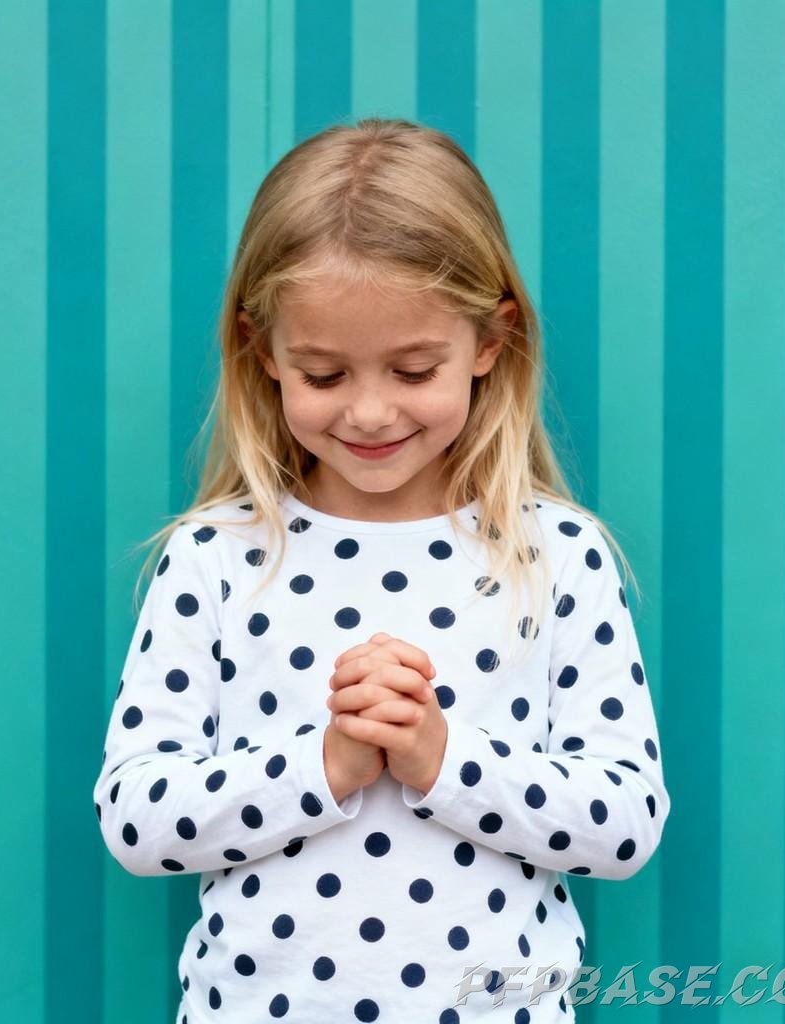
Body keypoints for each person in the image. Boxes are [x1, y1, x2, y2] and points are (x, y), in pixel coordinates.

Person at [92, 117, 670, 1023]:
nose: (368, 411)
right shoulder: (216, 558)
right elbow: (135, 817)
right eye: (323, 375)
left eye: (412, 368)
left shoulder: (553, 555)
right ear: (262, 353)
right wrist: (326, 763)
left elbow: (625, 821)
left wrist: (440, 759)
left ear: (490, 341)